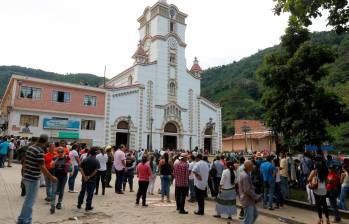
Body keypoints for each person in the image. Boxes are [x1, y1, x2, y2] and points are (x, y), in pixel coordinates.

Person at [17, 134, 57, 224]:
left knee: (28, 200)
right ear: (46, 142)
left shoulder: (31, 147)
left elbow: (24, 161)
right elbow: (42, 167)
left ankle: (21, 219)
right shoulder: (40, 151)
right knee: (30, 202)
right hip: (33, 179)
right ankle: (27, 221)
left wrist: (25, 172)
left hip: (27, 177)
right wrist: (51, 177)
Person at [49, 147, 72, 213]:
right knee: (54, 190)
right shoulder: (55, 158)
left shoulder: (67, 158)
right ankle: (52, 205)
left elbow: (70, 165)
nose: (60, 153)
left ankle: (59, 202)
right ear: (57, 152)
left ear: (64, 152)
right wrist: (57, 159)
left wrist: (71, 171)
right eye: (58, 152)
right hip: (55, 176)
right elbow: (51, 166)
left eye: (61, 152)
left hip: (64, 176)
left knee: (61, 190)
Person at [308, 155, 329, 224]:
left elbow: (308, 179)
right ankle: (327, 219)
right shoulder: (326, 171)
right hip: (323, 189)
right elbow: (327, 181)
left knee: (318, 204)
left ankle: (320, 219)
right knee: (324, 204)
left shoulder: (314, 171)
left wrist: (312, 181)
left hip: (316, 189)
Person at [77, 147, 100, 211]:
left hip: (84, 179)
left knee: (83, 191)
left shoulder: (85, 159)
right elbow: (96, 171)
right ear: (95, 153)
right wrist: (89, 176)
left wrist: (84, 176)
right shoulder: (96, 161)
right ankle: (88, 206)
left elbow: (80, 168)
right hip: (92, 179)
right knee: (90, 193)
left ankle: (79, 204)